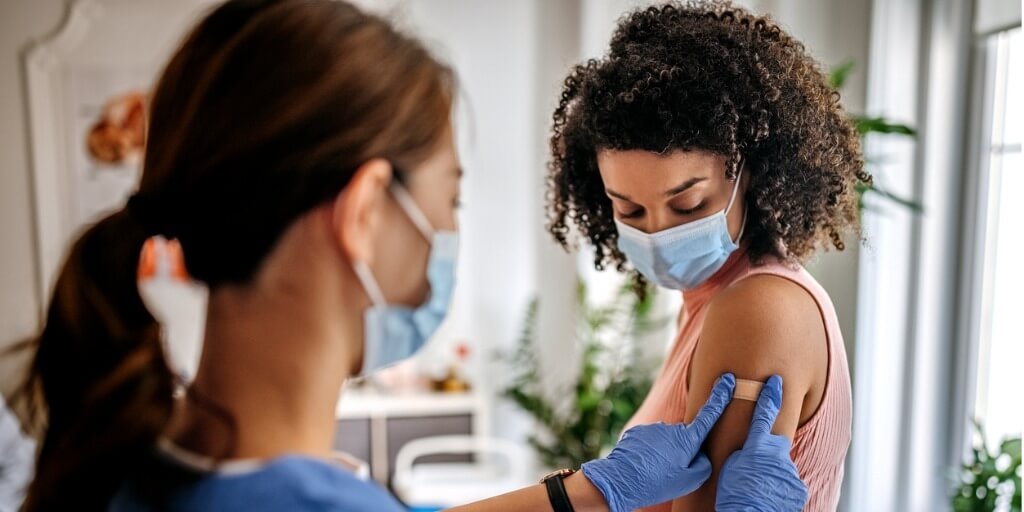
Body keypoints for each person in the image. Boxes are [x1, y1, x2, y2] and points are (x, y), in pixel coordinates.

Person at [11, 1, 806, 511]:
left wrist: (585, 493)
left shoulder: (124, 461)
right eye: (449, 200)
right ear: (363, 214)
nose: (451, 232)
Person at [546, 1, 862, 511]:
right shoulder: (707, 301)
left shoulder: (758, 310)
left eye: (689, 204)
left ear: (750, 173)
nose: (658, 232)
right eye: (629, 209)